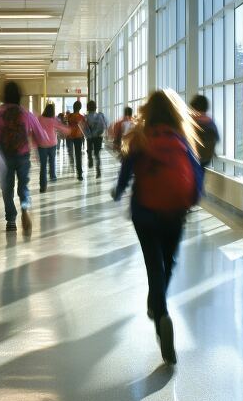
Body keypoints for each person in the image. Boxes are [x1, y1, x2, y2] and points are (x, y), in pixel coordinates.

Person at [112, 89, 202, 365]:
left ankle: (160, 312)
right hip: (175, 211)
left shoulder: (140, 138)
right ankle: (157, 303)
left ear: (148, 111)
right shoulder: (182, 138)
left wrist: (118, 191)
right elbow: (196, 174)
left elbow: (126, 170)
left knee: (154, 264)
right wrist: (191, 199)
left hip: (145, 211)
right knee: (169, 261)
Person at [0, 81, 48, 234]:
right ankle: (24, 208)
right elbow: (42, 136)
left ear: (3, 96)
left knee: (7, 190)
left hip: (4, 158)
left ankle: (10, 220)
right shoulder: (26, 114)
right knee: (23, 187)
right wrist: (34, 143)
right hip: (22, 156)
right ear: (19, 96)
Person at [37, 103, 70, 192]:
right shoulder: (53, 119)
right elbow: (62, 128)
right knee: (52, 160)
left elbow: (35, 129)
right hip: (52, 144)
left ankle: (43, 186)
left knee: (43, 166)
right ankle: (53, 176)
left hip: (42, 144)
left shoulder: (40, 118)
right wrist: (68, 130)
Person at [189, 94, 220, 168]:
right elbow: (217, 138)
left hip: (192, 158)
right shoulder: (210, 122)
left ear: (194, 108)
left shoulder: (191, 122)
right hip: (206, 158)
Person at [85, 100, 108, 179]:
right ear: (95, 107)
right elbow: (106, 124)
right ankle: (98, 171)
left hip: (90, 137)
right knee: (97, 154)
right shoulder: (100, 115)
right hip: (98, 137)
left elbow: (84, 128)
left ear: (88, 107)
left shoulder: (86, 117)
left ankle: (90, 159)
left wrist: (88, 135)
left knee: (89, 150)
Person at [64, 100, 86, 180]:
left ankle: (72, 164)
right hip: (78, 137)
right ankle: (79, 174)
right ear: (80, 108)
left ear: (73, 107)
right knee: (78, 155)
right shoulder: (81, 117)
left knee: (70, 152)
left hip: (69, 136)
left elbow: (66, 123)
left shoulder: (69, 116)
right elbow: (84, 127)